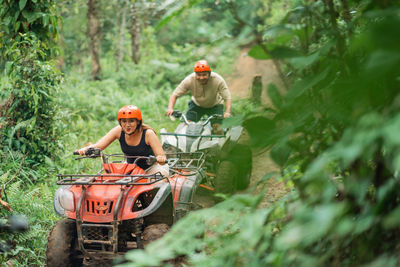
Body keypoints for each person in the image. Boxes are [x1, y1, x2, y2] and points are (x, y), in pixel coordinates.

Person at [76, 105, 168, 176]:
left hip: (151, 169)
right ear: (120, 122)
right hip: (130, 168)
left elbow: (161, 156)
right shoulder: (119, 130)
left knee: (158, 182)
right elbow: (99, 146)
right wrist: (85, 149)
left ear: (138, 122)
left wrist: (161, 158)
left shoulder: (148, 134)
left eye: (131, 121)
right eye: (124, 121)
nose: (127, 125)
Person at [166, 60, 232, 133]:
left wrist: (227, 112)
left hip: (215, 106)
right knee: (187, 126)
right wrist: (170, 108)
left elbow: (227, 97)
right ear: (195, 74)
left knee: (218, 129)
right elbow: (175, 94)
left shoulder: (218, 80)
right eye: (199, 75)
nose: (201, 77)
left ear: (209, 74)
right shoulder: (189, 80)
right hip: (197, 105)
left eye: (204, 75)